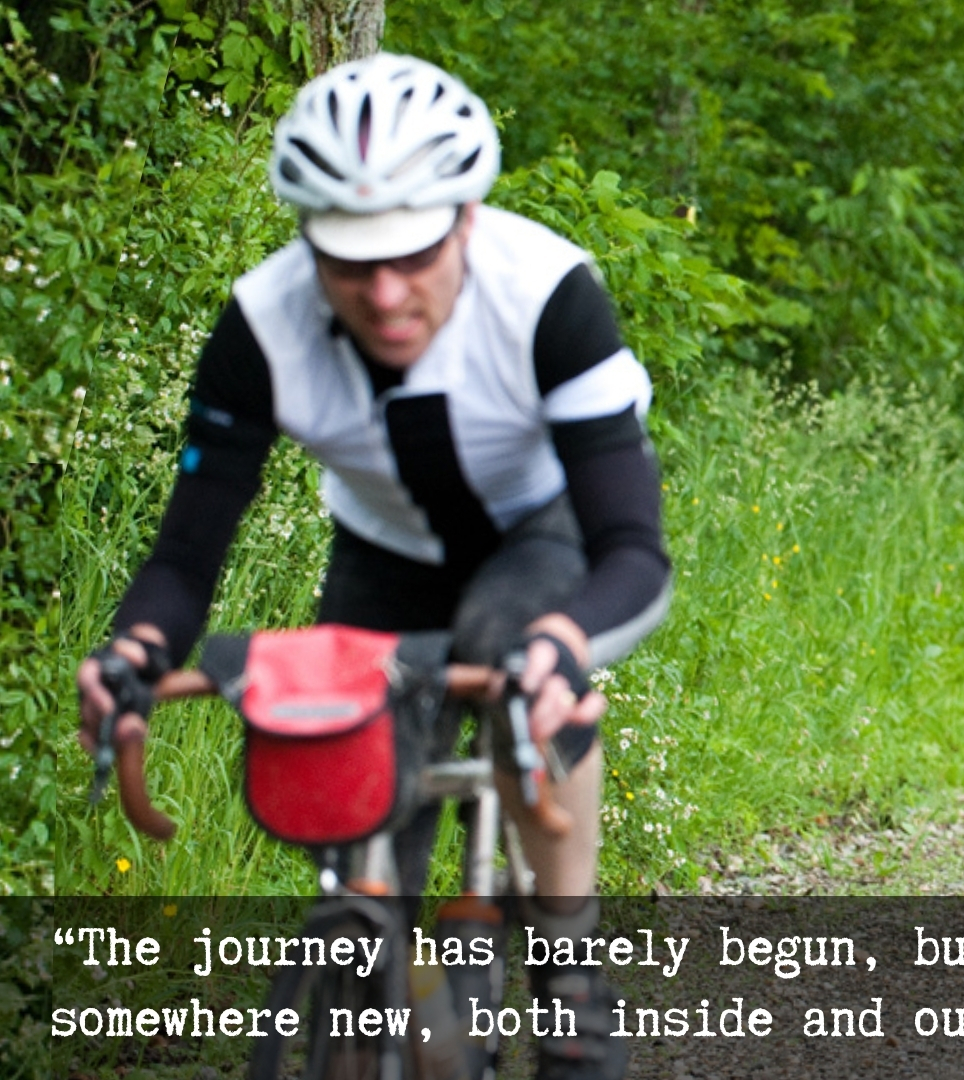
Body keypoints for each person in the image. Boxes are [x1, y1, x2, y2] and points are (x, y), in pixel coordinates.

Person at [73, 53, 668, 1079]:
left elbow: (632, 551)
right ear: (307, 244)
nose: (385, 293)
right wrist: (132, 652)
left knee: (515, 667)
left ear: (465, 221)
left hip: (546, 533)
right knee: (358, 820)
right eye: (349, 263)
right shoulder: (262, 327)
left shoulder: (549, 296)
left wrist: (562, 645)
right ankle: (398, 1008)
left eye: (413, 254)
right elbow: (185, 554)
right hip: (385, 555)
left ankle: (570, 970)